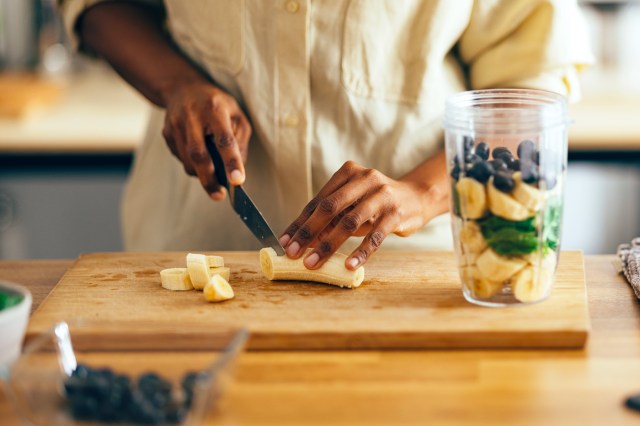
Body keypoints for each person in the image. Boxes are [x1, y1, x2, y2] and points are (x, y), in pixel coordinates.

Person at [60, 0, 591, 271]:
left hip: (408, 271)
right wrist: (177, 84)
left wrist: (423, 191)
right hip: (196, 250)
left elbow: (534, 86)